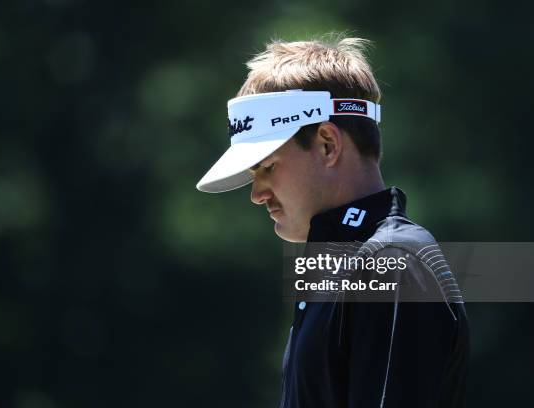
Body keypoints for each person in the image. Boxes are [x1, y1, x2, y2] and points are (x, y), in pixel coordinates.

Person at [196, 36, 469, 408]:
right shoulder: (337, 266)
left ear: (327, 143)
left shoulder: (389, 262)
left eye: (268, 167)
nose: (256, 194)